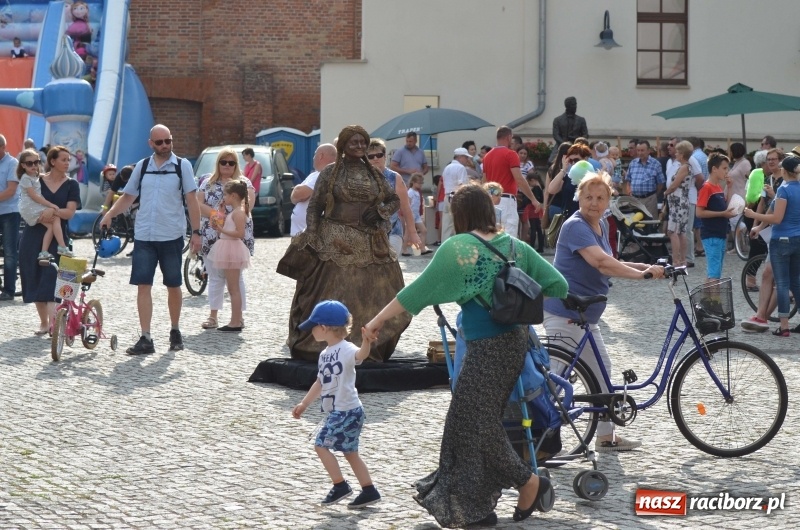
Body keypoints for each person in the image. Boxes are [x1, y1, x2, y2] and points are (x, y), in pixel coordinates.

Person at [363, 184, 567, 527]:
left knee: (477, 423)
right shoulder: (514, 246)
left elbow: (416, 292)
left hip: (487, 348)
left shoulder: (460, 248)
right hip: (515, 343)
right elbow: (557, 284)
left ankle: (528, 481)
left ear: (458, 215)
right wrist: (511, 295)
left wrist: (376, 321)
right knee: (468, 424)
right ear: (489, 211)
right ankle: (475, 509)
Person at [543, 171, 665, 452]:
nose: (594, 203)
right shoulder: (575, 226)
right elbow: (600, 263)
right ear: (579, 198)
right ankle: (536, 436)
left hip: (584, 316)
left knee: (600, 372)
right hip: (566, 312)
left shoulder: (597, 227)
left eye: (600, 197)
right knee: (556, 377)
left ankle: (605, 437)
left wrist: (650, 269)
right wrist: (641, 276)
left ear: (609, 200)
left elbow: (613, 260)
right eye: (588, 197)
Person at [281, 125, 410, 362]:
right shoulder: (331, 172)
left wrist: (380, 211)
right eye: (354, 142)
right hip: (334, 238)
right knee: (330, 289)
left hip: (370, 239)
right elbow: (315, 205)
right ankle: (323, 344)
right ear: (343, 145)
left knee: (377, 291)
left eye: (363, 142)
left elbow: (393, 200)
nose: (360, 146)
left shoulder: (373, 173)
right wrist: (312, 234)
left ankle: (368, 345)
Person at [100, 124, 201, 355]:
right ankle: (146, 337)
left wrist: (197, 232)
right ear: (151, 144)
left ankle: (175, 329)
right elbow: (128, 196)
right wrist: (109, 214)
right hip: (144, 235)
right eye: (160, 142)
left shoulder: (182, 166)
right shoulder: (142, 166)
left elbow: (192, 200)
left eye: (168, 140)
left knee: (173, 285)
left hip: (171, 235)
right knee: (143, 285)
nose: (165, 146)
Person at [291, 300, 381, 508]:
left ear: (323, 328)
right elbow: (321, 381)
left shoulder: (346, 349)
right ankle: (369, 490)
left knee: (320, 445)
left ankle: (340, 486)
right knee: (350, 452)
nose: (311, 331)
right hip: (344, 411)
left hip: (346, 411)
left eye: (313, 326)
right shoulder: (324, 355)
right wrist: (304, 403)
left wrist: (367, 341)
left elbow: (361, 355)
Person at [18, 146, 80, 334]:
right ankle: (44, 322)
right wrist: (42, 214)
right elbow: (28, 202)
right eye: (64, 159)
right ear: (52, 161)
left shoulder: (72, 185)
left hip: (58, 236)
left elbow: (69, 213)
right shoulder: (37, 181)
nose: (67, 163)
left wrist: (51, 212)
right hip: (33, 234)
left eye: (69, 160)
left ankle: (54, 323)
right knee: (34, 275)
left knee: (53, 277)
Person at [196, 148, 255, 331]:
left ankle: (238, 317)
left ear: (237, 165)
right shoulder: (207, 182)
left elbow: (248, 205)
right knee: (214, 277)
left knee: (236, 280)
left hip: (234, 235)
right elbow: (197, 204)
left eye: (231, 163)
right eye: (224, 162)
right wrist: (216, 215)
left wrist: (228, 219)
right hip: (212, 233)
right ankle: (213, 316)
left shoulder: (243, 183)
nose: (227, 166)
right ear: (218, 163)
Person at [744, 156, 800, 337]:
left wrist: (754, 215)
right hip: (798, 239)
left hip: (782, 239)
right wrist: (760, 227)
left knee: (782, 283)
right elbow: (776, 206)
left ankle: (784, 326)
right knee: (796, 282)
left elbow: (777, 217)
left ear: (784, 171)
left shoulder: (784, 189)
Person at [206, 180, 251, 332]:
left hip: (232, 249)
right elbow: (224, 230)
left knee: (233, 288)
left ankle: (235, 322)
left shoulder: (239, 212)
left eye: (225, 194)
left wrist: (221, 229)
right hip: (227, 246)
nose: (223, 197)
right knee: (232, 287)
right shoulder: (234, 212)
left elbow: (240, 233)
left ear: (233, 195)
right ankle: (235, 320)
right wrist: (220, 218)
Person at [483, 126, 540, 239]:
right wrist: (533, 199)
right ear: (509, 137)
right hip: (506, 200)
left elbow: (484, 181)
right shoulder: (511, 154)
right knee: (509, 238)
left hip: (491, 200)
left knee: (492, 237)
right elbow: (519, 179)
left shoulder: (487, 156)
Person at [366, 138, 420, 256]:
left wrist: (413, 233)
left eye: (379, 155)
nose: (375, 158)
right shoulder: (362, 178)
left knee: (390, 266)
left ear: (385, 156)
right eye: (371, 156)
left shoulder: (395, 178)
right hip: (368, 232)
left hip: (392, 231)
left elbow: (406, 207)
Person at [17, 149, 74, 260]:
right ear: (23, 165)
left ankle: (44, 252)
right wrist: (51, 205)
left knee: (51, 226)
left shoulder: (35, 176)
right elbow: (34, 196)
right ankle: (62, 246)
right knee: (56, 218)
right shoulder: (25, 178)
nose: (33, 165)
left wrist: (45, 175)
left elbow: (41, 176)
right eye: (29, 163)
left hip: (33, 206)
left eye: (36, 162)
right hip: (30, 208)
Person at [696, 153, 735, 282]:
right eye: (724, 168)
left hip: (720, 233)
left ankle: (707, 302)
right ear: (714, 169)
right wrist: (722, 214)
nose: (727, 171)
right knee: (714, 274)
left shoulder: (718, 186)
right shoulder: (706, 187)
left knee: (714, 271)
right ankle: (715, 302)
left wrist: (729, 188)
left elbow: (725, 206)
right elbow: (699, 212)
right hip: (711, 234)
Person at [290, 144, 337, 236]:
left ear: (320, 156)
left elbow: (298, 194)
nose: (313, 158)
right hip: (304, 234)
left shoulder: (322, 175)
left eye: (315, 154)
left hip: (310, 235)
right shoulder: (315, 174)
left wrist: (296, 188)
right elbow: (295, 198)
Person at [663, 141, 693, 267]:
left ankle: (676, 260)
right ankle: (682, 261)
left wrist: (665, 193)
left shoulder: (684, 167)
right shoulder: (686, 166)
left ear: (682, 154)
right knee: (680, 231)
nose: (675, 154)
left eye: (677, 152)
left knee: (673, 231)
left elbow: (675, 185)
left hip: (678, 202)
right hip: (681, 201)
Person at [0, 134, 20, 301]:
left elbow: (10, 191)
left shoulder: (12, 163)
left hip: (9, 213)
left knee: (9, 252)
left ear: (2, 148)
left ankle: (9, 290)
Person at [626, 140, 665, 219]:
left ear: (648, 151)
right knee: (635, 222)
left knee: (650, 222)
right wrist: (629, 192)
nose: (640, 153)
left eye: (642, 150)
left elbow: (660, 183)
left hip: (649, 199)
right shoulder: (633, 163)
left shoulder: (656, 164)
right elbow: (628, 180)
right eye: (638, 150)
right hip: (635, 199)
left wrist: (653, 195)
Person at [440, 147, 471, 241]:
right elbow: (462, 185)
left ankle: (444, 245)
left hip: (446, 196)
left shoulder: (447, 167)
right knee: (459, 223)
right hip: (457, 197)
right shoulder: (461, 168)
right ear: (460, 157)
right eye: (466, 157)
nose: (467, 160)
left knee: (447, 224)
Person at [406, 173, 431, 254]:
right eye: (419, 183)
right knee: (408, 233)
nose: (420, 185)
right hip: (411, 215)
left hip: (416, 215)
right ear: (413, 182)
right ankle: (403, 249)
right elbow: (408, 205)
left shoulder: (417, 192)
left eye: (421, 183)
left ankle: (422, 248)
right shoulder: (410, 192)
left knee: (424, 230)